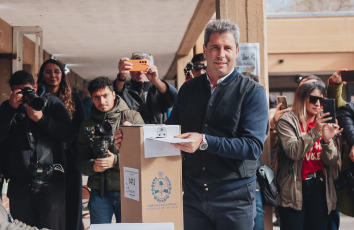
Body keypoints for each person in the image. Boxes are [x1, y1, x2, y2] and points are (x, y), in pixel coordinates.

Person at [166, 19, 269, 230]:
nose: (221, 54)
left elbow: (253, 147)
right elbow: (169, 131)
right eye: (215, 47)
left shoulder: (252, 92)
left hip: (235, 198)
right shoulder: (187, 90)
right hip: (193, 196)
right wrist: (135, 136)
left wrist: (204, 141)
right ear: (205, 50)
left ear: (237, 51)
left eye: (227, 48)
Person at [0, 70, 74, 229]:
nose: (24, 95)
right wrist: (10, 109)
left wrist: (41, 119)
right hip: (20, 185)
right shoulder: (7, 109)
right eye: (19, 92)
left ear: (35, 86)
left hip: (51, 182)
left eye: (28, 90)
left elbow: (68, 134)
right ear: (12, 91)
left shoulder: (51, 104)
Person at [76, 77, 144, 224]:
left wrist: (116, 160)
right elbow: (80, 161)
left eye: (105, 95)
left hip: (129, 191)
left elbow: (143, 155)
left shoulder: (131, 117)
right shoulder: (87, 124)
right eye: (96, 97)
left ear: (113, 94)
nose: (102, 101)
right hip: (99, 193)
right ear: (91, 98)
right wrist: (93, 166)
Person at [276, 81, 342, 230]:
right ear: (301, 98)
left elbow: (332, 160)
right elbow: (293, 152)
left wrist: (327, 140)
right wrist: (315, 132)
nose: (318, 104)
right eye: (313, 99)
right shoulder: (288, 120)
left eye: (322, 100)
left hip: (319, 186)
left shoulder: (326, 122)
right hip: (293, 187)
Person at [38, 59, 85, 230]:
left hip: (71, 160)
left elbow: (80, 130)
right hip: (46, 159)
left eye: (56, 71)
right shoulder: (38, 99)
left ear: (62, 75)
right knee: (52, 208)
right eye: (48, 72)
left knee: (73, 204)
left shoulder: (74, 99)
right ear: (42, 75)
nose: (53, 75)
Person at [114, 52, 177, 124]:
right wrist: (122, 76)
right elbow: (116, 94)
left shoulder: (160, 90)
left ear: (152, 68)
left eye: (144, 67)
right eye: (137, 67)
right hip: (133, 134)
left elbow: (176, 99)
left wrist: (156, 81)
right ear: (130, 70)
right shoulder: (125, 92)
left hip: (159, 133)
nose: (141, 72)